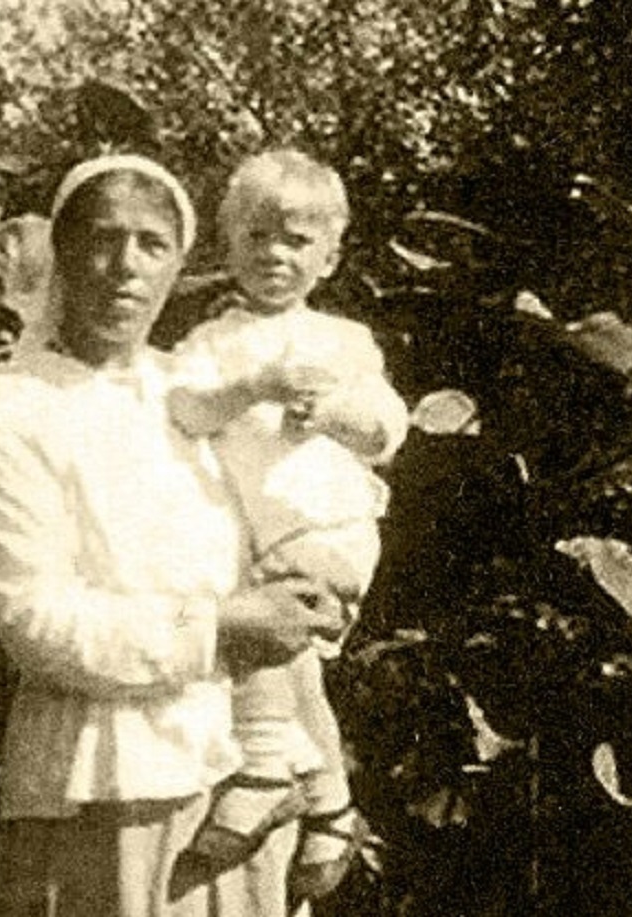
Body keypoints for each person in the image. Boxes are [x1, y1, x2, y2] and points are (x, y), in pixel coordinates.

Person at [0, 153, 346, 917]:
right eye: (102, 239)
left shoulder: (200, 390)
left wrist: (314, 589)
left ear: (178, 262)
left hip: (245, 777)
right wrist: (224, 623)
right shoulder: (15, 407)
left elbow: (296, 503)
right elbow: (35, 621)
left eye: (151, 243)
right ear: (63, 254)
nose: (123, 268)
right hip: (105, 786)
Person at [167, 149, 409, 899]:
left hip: (326, 526)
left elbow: (386, 430)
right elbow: (185, 408)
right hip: (250, 539)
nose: (274, 254)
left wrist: (331, 413)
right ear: (227, 243)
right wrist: (251, 387)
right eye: (256, 236)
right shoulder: (210, 343)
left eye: (296, 240)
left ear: (329, 256)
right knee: (296, 671)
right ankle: (332, 802)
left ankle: (269, 768)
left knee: (273, 641)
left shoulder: (343, 341)